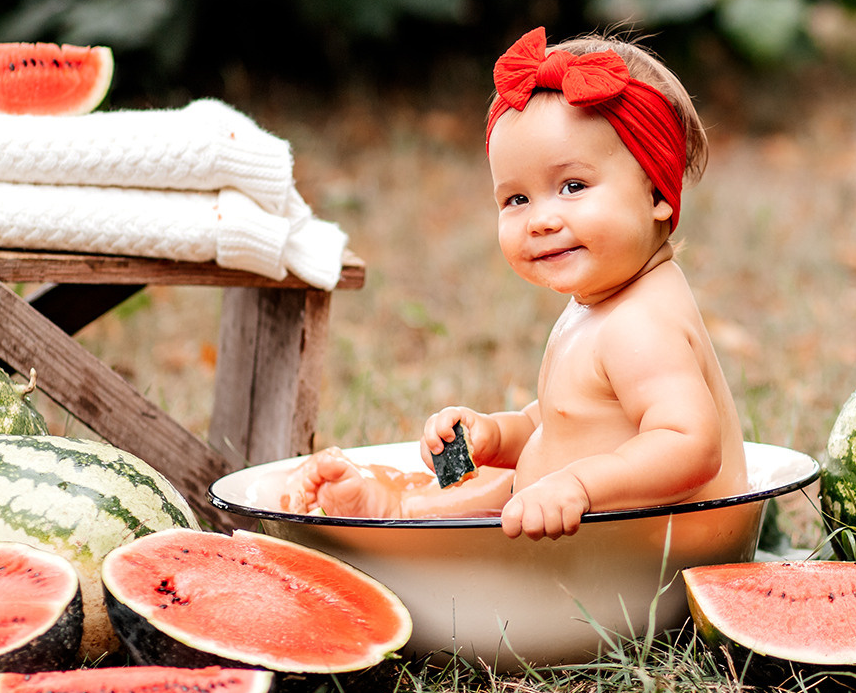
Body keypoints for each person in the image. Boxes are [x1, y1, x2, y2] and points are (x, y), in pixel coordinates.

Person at [274, 27, 748, 538]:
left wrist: (578, 485)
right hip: (589, 527)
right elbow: (570, 424)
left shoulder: (642, 324)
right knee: (507, 485)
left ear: (658, 192)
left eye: (572, 186)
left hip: (660, 551)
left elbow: (690, 445)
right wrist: (497, 434)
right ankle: (398, 508)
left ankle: (400, 514)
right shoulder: (600, 304)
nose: (540, 220)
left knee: (521, 493)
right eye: (516, 199)